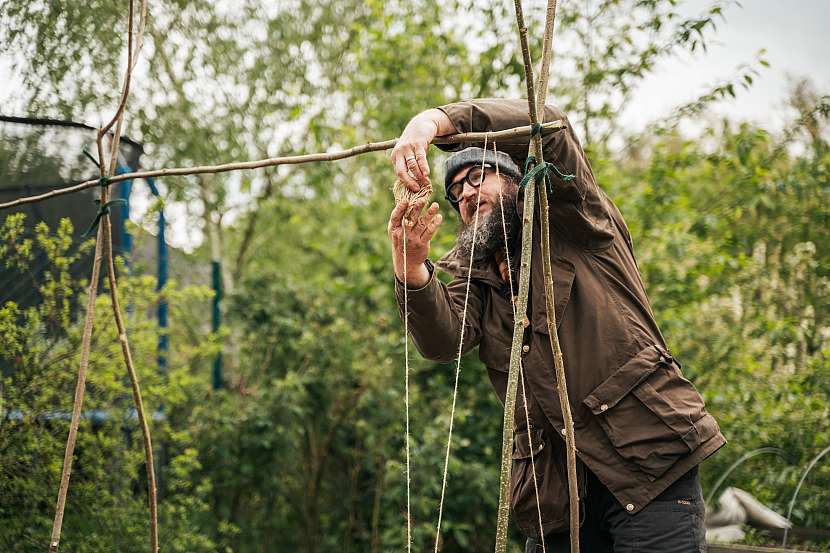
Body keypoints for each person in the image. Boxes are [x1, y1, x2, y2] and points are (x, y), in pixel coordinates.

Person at [386, 99, 726, 552]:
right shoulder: (480, 282)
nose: (465, 195)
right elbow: (443, 339)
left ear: (516, 179)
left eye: (476, 177)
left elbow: (552, 127)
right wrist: (411, 270)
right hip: (556, 503)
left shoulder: (577, 224)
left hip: (647, 464)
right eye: (455, 194)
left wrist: (431, 121)